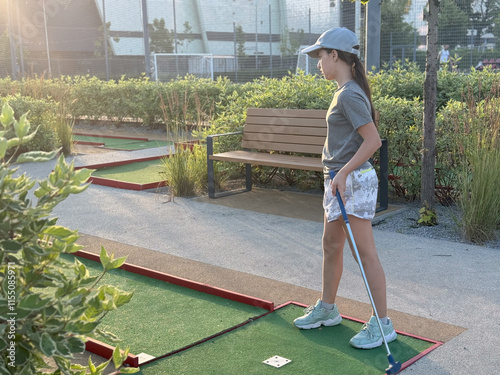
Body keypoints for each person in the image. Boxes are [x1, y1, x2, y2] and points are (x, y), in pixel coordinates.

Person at [293, 27, 397, 350]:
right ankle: (328, 308)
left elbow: (373, 141)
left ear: (335, 56)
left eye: (320, 57)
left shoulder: (349, 94)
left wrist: (343, 172)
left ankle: (383, 325)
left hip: (350, 183)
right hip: (338, 181)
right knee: (331, 245)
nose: (318, 64)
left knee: (364, 255)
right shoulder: (344, 91)